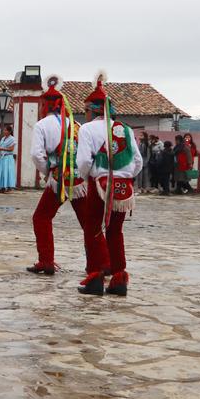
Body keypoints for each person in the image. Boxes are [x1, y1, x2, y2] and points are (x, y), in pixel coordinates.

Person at [76, 71, 142, 297]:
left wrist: (89, 176)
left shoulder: (87, 130)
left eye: (85, 110)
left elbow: (84, 161)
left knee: (93, 229)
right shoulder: (126, 130)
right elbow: (138, 161)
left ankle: (95, 278)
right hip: (124, 188)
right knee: (116, 231)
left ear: (93, 110)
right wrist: (126, 175)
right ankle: (119, 277)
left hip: (99, 184)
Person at [27, 74, 95, 275]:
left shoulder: (42, 125)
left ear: (45, 105)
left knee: (41, 217)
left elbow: (36, 155)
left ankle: (46, 261)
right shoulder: (75, 124)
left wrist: (48, 171)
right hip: (79, 180)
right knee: (88, 223)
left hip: (59, 180)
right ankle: (99, 263)